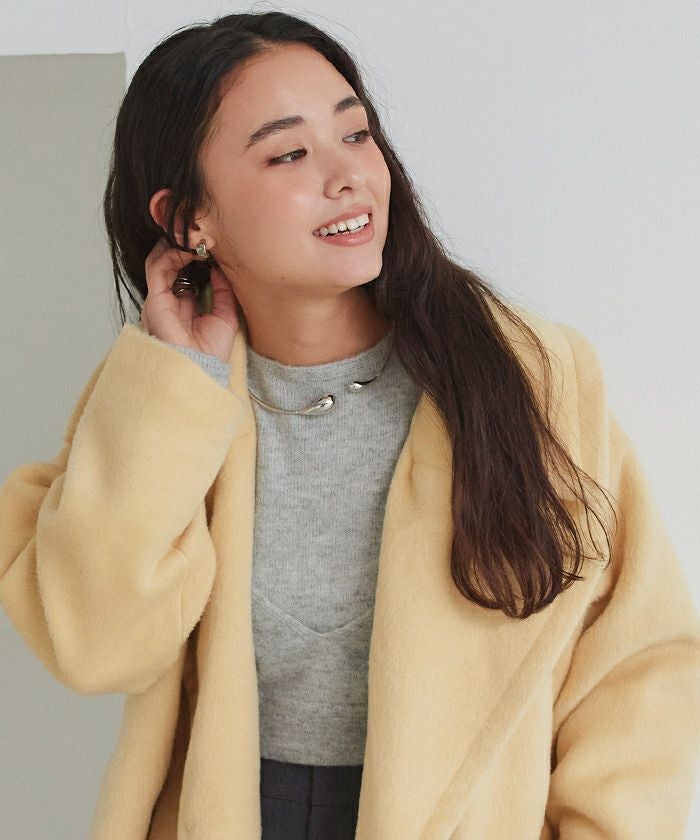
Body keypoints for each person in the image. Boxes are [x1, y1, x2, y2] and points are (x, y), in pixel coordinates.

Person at [1, 10, 698, 840]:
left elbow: (638, 664)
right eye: (289, 154)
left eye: (357, 135)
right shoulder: (163, 401)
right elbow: (95, 644)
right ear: (190, 220)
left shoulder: (526, 379)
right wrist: (181, 381)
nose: (349, 177)